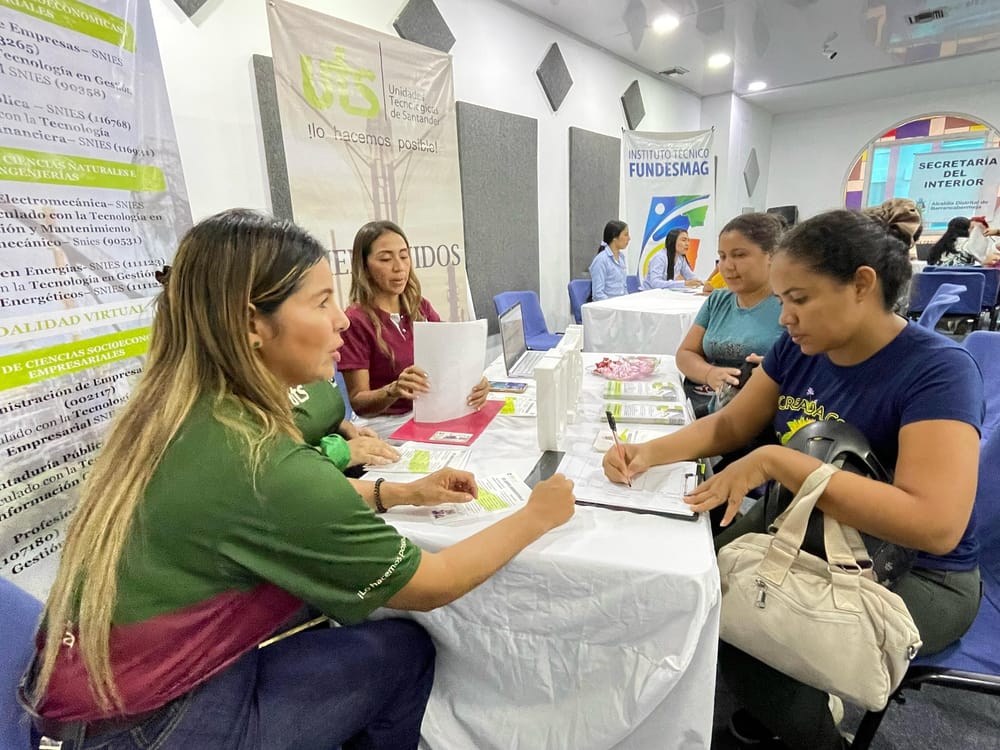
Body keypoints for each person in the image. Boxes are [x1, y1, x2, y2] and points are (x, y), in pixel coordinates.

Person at [24, 209, 576, 750]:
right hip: (148, 724)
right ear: (250, 324)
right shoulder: (264, 460)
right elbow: (434, 584)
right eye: (322, 302)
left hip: (87, 697)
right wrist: (537, 515)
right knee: (406, 651)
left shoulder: (184, 412)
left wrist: (403, 492)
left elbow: (265, 509)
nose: (341, 320)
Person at [603, 208, 983, 750]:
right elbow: (734, 423)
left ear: (862, 285)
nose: (784, 318)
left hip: (918, 571)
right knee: (697, 585)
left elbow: (934, 525)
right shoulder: (803, 347)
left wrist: (780, 463)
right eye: (782, 301)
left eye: (799, 299)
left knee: (738, 620)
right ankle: (783, 703)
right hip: (808, 526)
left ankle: (817, 735)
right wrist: (645, 453)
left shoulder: (936, 370)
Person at [338, 220, 489, 417]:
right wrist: (392, 390)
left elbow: (450, 355)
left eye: (404, 256)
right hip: (388, 423)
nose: (399, 267)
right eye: (385, 259)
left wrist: (476, 381)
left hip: (430, 412)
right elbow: (359, 402)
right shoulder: (355, 321)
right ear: (364, 266)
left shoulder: (419, 306)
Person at [675, 213, 785, 415]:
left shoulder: (788, 306)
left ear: (772, 256)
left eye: (739, 255)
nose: (727, 266)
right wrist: (709, 374)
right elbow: (685, 353)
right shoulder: (718, 300)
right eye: (723, 256)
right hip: (709, 406)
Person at [290, 378, 399, 471]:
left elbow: (313, 409)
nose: (338, 357)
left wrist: (345, 427)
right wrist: (340, 452)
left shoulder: (319, 367)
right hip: (312, 474)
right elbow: (278, 468)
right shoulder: (275, 390)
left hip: (333, 463)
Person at [927, 215, 1000, 266]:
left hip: (939, 283)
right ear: (967, 229)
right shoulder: (971, 244)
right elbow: (986, 261)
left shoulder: (937, 246)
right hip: (967, 282)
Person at [588, 220, 629, 300]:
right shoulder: (601, 260)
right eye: (625, 235)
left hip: (619, 305)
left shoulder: (621, 257)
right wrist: (613, 305)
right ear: (614, 238)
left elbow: (623, 287)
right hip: (606, 307)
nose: (629, 238)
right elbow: (598, 294)